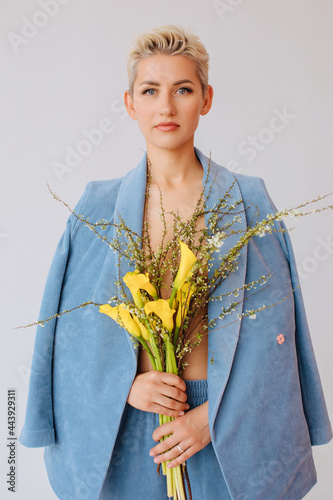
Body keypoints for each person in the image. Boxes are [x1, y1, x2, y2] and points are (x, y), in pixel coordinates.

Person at [19, 25, 332, 500]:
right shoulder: (96, 208)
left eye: (182, 90)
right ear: (130, 104)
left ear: (205, 99)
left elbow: (276, 334)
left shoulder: (249, 200)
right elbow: (69, 331)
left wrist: (212, 418)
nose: (166, 107)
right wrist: (125, 385)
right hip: (127, 426)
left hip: (226, 425)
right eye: (150, 91)